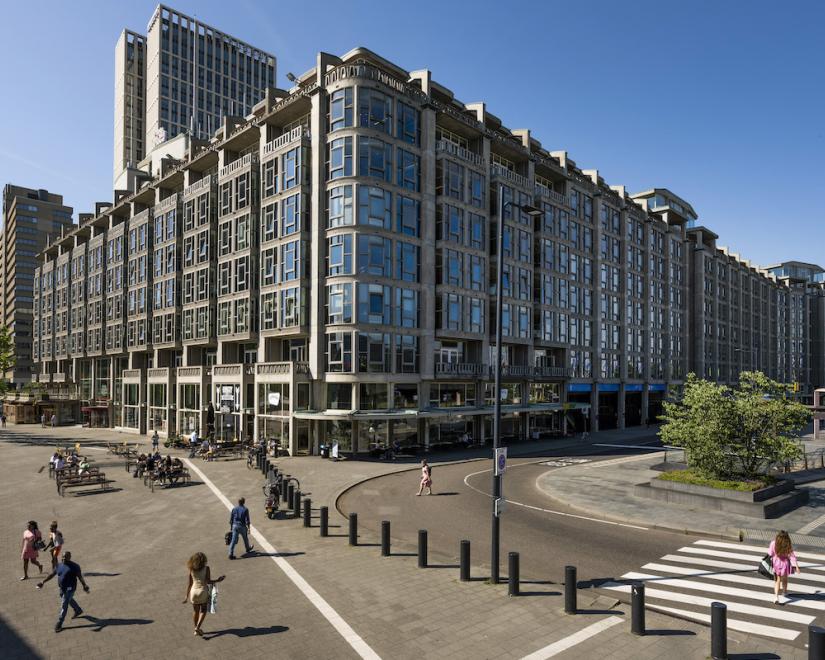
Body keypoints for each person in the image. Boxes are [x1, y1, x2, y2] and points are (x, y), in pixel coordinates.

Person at [36, 551, 90, 632]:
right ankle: (78, 610)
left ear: (69, 557)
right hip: (62, 588)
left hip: (70, 589)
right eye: (62, 557)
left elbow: (80, 577)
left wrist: (84, 585)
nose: (63, 558)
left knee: (64, 605)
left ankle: (60, 623)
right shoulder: (59, 565)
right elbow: (52, 574)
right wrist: (43, 582)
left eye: (65, 557)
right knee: (67, 599)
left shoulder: (75, 566)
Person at [182, 552, 224, 636]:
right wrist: (218, 580)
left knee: (195, 611)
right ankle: (197, 627)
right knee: (203, 610)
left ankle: (195, 629)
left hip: (193, 592)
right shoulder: (206, 568)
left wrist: (186, 596)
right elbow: (208, 581)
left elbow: (189, 583)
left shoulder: (191, 569)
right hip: (203, 591)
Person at [769, 530, 800, 604]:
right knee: (785, 579)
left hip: (776, 563)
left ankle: (776, 597)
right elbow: (792, 556)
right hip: (785, 564)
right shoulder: (787, 544)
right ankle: (784, 592)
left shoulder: (773, 543)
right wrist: (796, 566)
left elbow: (770, 553)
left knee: (777, 580)